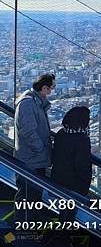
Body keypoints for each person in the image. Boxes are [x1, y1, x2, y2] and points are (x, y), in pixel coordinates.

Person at [13, 73, 55, 224]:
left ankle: (31, 222)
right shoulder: (28, 103)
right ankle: (22, 226)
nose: (51, 91)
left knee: (34, 194)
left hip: (36, 158)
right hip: (30, 159)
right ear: (44, 87)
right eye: (51, 88)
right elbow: (28, 131)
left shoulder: (35, 102)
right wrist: (41, 149)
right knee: (26, 195)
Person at [50, 107, 92, 219]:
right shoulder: (81, 139)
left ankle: (61, 232)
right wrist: (85, 181)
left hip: (58, 178)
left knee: (63, 210)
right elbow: (82, 164)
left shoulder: (61, 133)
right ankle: (63, 235)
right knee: (70, 213)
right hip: (75, 183)